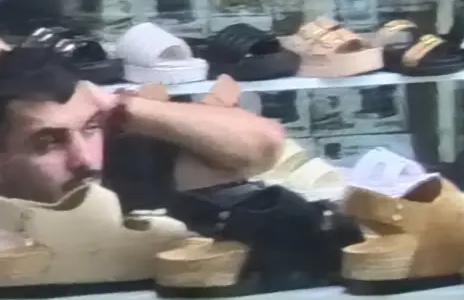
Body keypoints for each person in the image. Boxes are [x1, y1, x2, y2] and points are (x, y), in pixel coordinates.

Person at [0, 46, 284, 211]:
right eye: (49, 142)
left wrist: (120, 106)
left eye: (90, 128)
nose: (84, 160)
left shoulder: (126, 160)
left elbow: (263, 146)